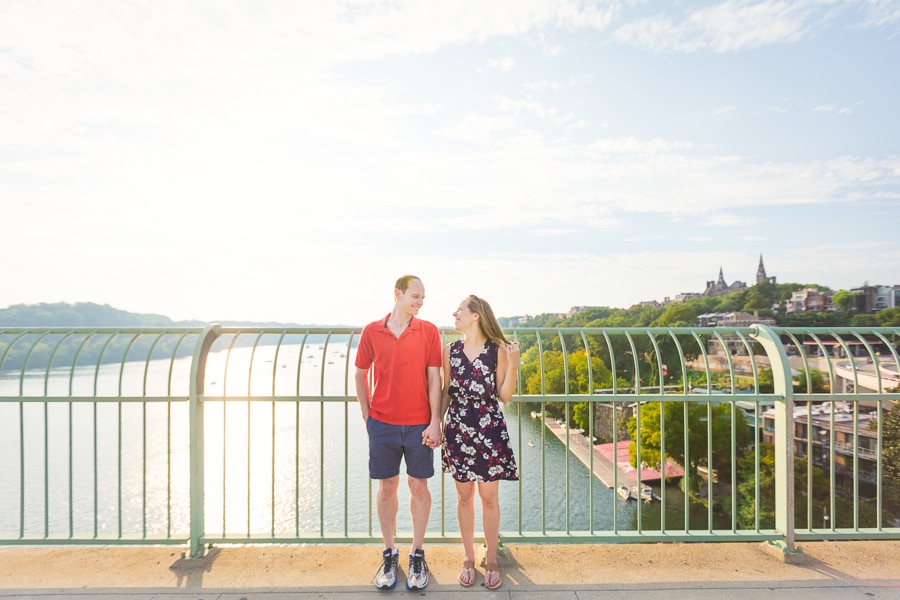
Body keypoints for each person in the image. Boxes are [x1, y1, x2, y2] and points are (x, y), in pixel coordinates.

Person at [354, 275, 443, 590]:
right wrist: (368, 418)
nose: (420, 302)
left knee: (419, 487)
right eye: (415, 296)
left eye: (423, 298)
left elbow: (435, 379)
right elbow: (361, 374)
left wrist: (435, 422)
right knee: (387, 488)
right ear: (398, 294)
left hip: (420, 424)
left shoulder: (429, 331)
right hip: (383, 425)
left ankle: (417, 552)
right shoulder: (371, 331)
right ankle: (389, 552)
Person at [440, 294, 519, 590]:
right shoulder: (449, 350)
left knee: (489, 498)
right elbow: (447, 391)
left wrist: (513, 364)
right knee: (463, 497)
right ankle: (468, 557)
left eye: (459, 309)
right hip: (458, 429)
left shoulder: (497, 351)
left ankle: (492, 560)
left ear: (475, 315)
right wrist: (436, 424)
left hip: (489, 430)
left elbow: (506, 395)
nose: (454, 313)